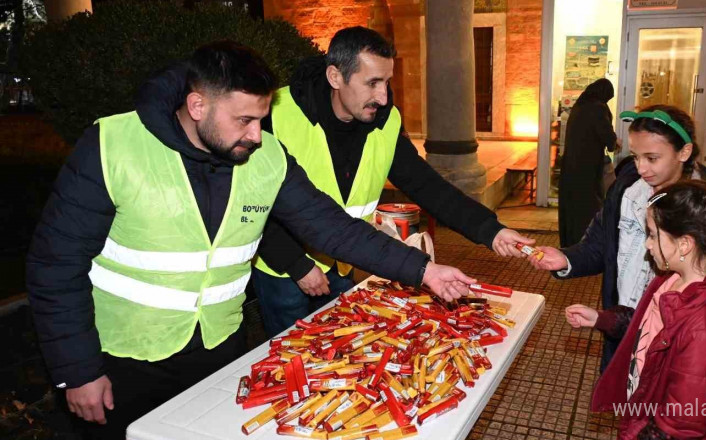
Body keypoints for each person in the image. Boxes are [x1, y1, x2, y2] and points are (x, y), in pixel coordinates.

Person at [25, 41, 475, 440]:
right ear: (197, 105)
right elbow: (55, 264)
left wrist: (423, 270)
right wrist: (77, 370)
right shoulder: (113, 144)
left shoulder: (265, 156)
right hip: (122, 359)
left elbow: (331, 227)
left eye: (261, 119)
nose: (257, 135)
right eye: (244, 120)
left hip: (219, 351)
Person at [252, 26, 533, 336]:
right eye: (372, 83)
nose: (383, 96)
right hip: (283, 269)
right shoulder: (275, 114)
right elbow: (253, 202)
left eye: (386, 82)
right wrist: (296, 264)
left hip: (347, 256)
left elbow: (427, 186)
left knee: (337, 358)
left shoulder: (384, 119)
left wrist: (490, 230)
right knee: (286, 359)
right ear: (335, 77)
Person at [528, 105, 706, 370]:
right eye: (636, 157)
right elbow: (601, 244)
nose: (641, 168)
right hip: (626, 326)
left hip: (682, 342)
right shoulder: (627, 189)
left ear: (683, 152)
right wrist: (566, 258)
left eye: (652, 158)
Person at [568, 180, 706, 439]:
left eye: (651, 234)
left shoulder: (705, 328)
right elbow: (649, 329)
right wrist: (602, 319)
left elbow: (680, 424)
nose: (647, 244)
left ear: (684, 245)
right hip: (645, 409)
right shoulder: (671, 280)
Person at [558, 78, 616, 248]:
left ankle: (570, 240)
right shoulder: (598, 108)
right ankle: (586, 242)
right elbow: (606, 134)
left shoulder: (580, 106)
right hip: (587, 167)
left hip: (571, 164)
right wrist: (614, 142)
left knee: (572, 204)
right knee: (588, 204)